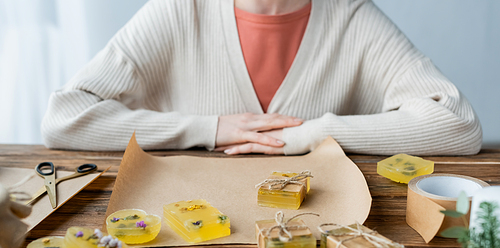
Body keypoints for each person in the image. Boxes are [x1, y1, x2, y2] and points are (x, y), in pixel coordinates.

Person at [41, 0, 482, 156]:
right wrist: (207, 129)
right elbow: (64, 116)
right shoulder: (180, 9)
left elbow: (459, 124)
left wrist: (319, 133)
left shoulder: (351, 16)